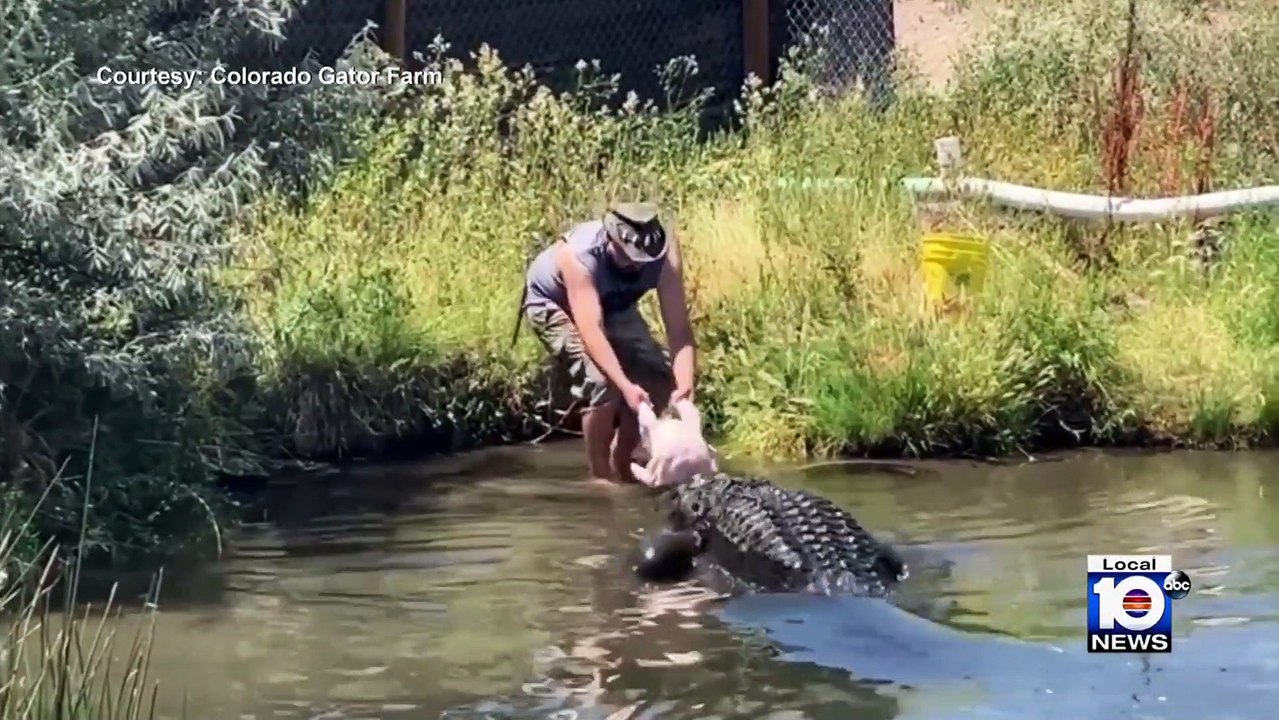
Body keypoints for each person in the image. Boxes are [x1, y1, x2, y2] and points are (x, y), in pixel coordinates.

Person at [516, 202, 697, 483]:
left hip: (614, 303)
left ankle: (623, 462)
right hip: (554, 301)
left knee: (660, 379)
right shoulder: (579, 255)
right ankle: (600, 476)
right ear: (611, 240)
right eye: (630, 258)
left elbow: (679, 330)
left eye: (644, 260)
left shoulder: (664, 254)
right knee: (601, 384)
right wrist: (625, 386)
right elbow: (592, 330)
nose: (637, 265)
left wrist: (685, 388)